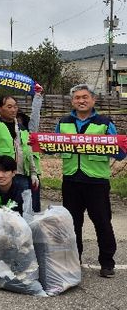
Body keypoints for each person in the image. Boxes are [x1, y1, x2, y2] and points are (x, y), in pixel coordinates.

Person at [56, 84, 126, 278]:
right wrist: (39, 144)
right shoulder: (63, 122)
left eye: (85, 97)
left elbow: (119, 152)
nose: (81, 100)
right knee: (72, 223)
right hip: (71, 180)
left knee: (102, 222)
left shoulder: (105, 122)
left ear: (93, 100)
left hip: (97, 182)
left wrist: (122, 148)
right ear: (72, 101)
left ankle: (107, 262)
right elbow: (52, 145)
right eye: (77, 97)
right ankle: (74, 259)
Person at [0, 87, 43, 212]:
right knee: (4, 209)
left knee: (25, 210)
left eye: (15, 107)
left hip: (22, 174)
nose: (13, 110)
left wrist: (33, 173)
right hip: (3, 175)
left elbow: (28, 151)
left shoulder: (22, 128)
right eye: (9, 107)